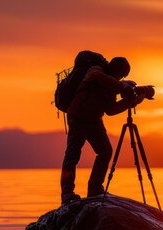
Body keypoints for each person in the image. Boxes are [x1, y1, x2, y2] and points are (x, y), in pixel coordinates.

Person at [60, 56, 143, 204]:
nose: (120, 78)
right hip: (78, 116)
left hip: (94, 119)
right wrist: (122, 85)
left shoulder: (111, 85)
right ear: (115, 70)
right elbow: (97, 77)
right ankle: (67, 193)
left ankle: (95, 189)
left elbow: (110, 110)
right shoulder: (97, 70)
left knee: (105, 151)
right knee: (73, 154)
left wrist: (130, 101)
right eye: (121, 75)